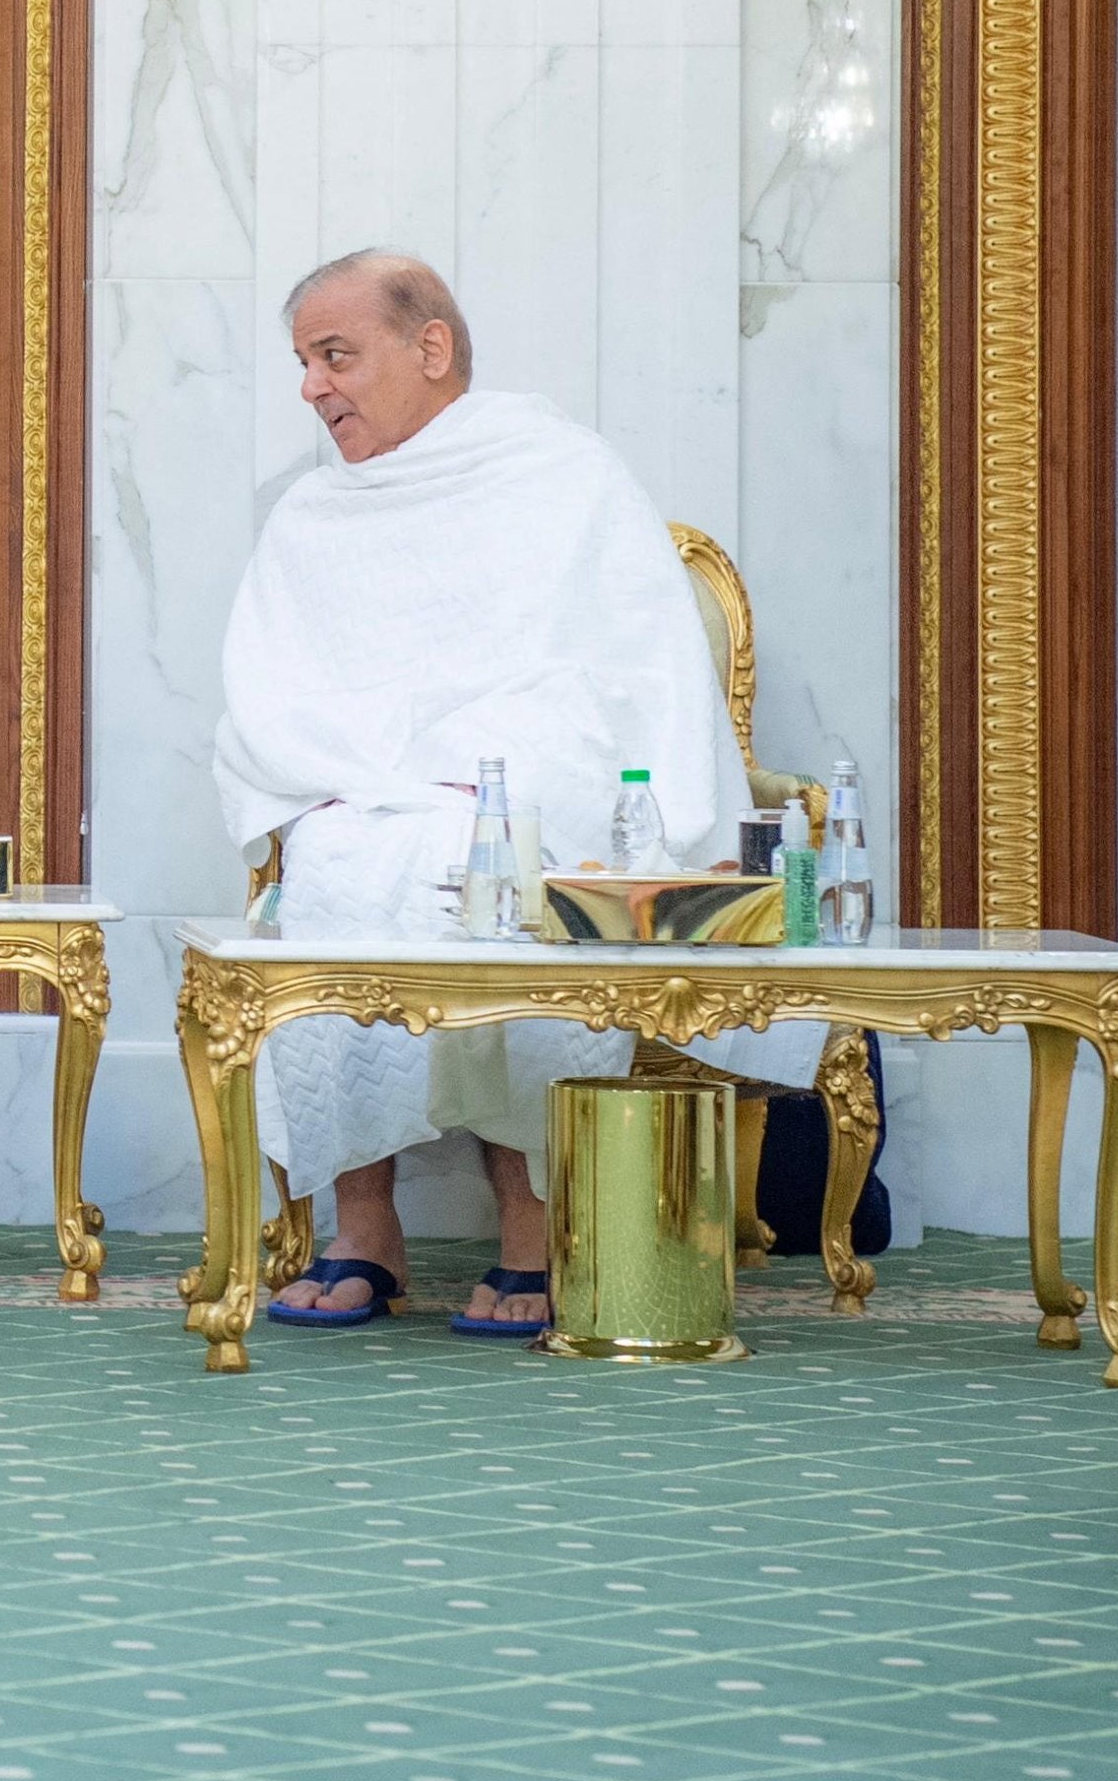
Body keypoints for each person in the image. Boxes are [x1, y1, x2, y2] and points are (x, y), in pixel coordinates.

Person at [212, 250, 756, 1338]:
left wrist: (487, 757)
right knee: (336, 865)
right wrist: (370, 770)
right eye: (303, 364)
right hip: (364, 794)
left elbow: (628, 672)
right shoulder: (310, 516)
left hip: (521, 785)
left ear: (430, 347)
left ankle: (531, 1229)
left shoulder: (563, 473)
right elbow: (266, 695)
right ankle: (361, 1232)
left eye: (334, 356)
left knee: (497, 854)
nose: (313, 388)